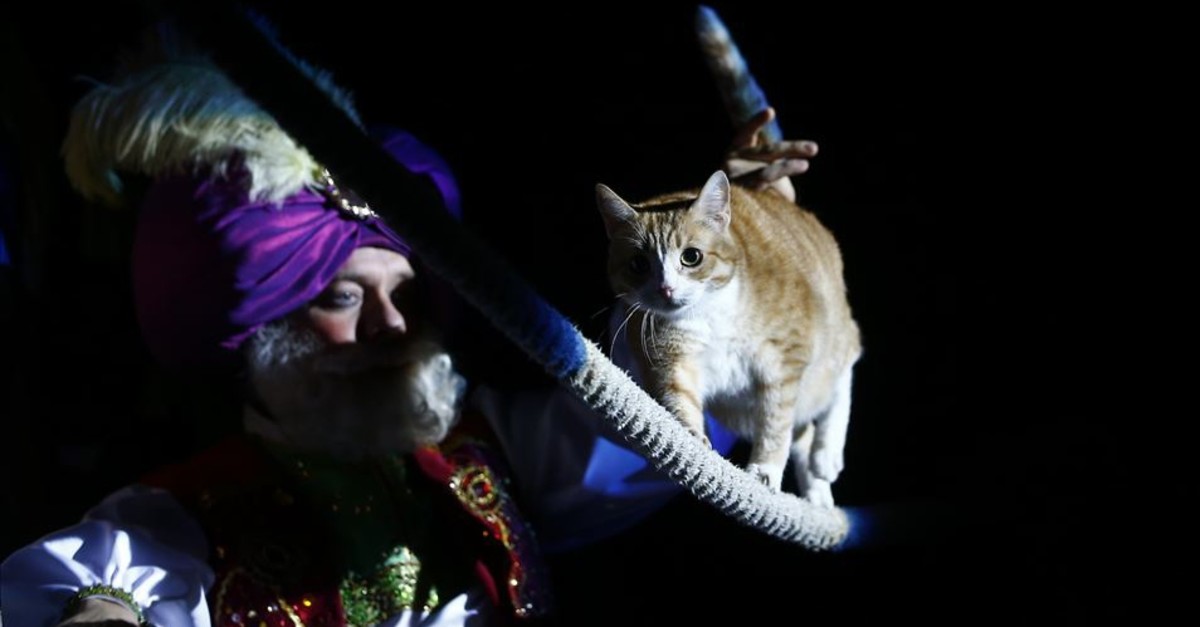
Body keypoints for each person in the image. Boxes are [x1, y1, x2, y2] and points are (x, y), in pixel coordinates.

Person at [1, 22, 820, 627]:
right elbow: (93, 587)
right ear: (261, 326)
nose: (395, 324)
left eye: (405, 291)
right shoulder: (180, 513)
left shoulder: (489, 442)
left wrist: (746, 232)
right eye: (345, 297)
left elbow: (664, 427)